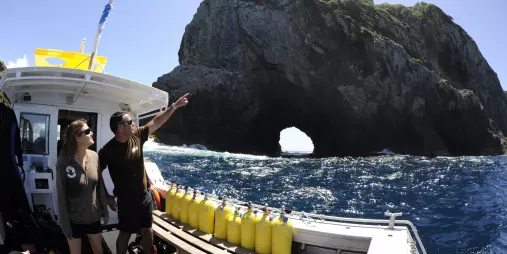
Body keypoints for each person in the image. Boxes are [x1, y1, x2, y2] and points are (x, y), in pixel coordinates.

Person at [99, 93, 189, 254]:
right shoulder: (107, 151)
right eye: (130, 122)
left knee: (147, 230)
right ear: (120, 127)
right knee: (125, 232)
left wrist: (174, 107)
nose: (134, 124)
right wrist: (107, 197)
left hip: (144, 196)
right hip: (126, 201)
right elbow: (96, 174)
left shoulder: (137, 136)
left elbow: (156, 122)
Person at [56, 119, 109, 254]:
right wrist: (65, 226)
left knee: (99, 251)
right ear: (77, 137)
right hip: (74, 220)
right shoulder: (63, 161)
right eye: (87, 131)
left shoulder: (95, 156)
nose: (92, 133)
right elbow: (61, 196)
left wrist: (105, 211)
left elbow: (100, 186)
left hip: (93, 217)